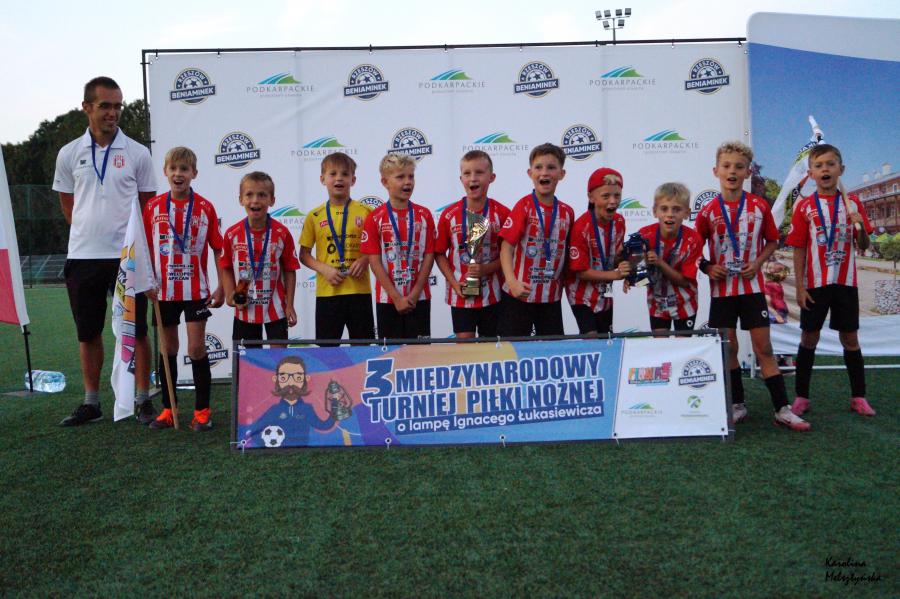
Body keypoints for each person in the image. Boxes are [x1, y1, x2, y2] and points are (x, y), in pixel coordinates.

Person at [53, 76, 157, 426]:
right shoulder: (69, 153)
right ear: (87, 107)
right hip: (83, 256)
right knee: (88, 331)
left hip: (128, 258)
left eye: (117, 106)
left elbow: (147, 206)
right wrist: (89, 232)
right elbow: (68, 204)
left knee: (137, 331)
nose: (113, 113)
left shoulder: (138, 153)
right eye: (105, 106)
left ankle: (142, 399)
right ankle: (92, 402)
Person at [696, 141, 809, 431]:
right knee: (729, 349)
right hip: (722, 293)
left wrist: (757, 263)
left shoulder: (759, 206)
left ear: (748, 172)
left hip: (752, 291)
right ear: (716, 171)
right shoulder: (708, 211)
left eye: (739, 166)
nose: (732, 171)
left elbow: (772, 241)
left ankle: (782, 409)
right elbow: (694, 250)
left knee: (764, 349)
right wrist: (708, 267)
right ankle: (737, 405)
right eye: (726, 166)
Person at [785, 144, 875, 417]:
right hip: (815, 284)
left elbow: (864, 245)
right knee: (809, 337)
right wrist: (799, 286)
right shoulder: (805, 206)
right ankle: (802, 397)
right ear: (811, 173)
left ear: (841, 170)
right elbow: (799, 247)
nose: (825, 169)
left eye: (830, 164)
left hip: (845, 283)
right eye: (819, 165)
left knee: (850, 339)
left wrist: (860, 225)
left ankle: (858, 397)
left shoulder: (853, 203)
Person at [143, 146, 225, 431]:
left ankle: (202, 412)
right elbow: (144, 248)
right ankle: (169, 409)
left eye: (184, 169)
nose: (178, 174)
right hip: (163, 291)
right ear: (165, 172)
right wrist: (145, 282)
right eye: (174, 169)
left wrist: (221, 286)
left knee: (196, 348)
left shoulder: (205, 207)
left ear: (194, 173)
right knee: (168, 349)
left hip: (195, 291)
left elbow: (218, 248)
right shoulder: (153, 207)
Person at [498, 143, 576, 336]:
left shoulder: (567, 212)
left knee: (552, 351)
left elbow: (567, 254)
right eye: (538, 167)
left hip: (550, 298)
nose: (544, 172)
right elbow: (506, 248)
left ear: (562, 174)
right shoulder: (523, 206)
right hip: (519, 295)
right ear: (530, 173)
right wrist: (512, 282)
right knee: (513, 349)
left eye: (551, 167)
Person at [299, 153, 374, 342]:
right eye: (333, 174)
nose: (339, 178)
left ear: (353, 180)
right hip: (328, 292)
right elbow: (304, 255)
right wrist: (324, 269)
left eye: (345, 174)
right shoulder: (314, 216)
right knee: (327, 351)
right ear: (322, 179)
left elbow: (377, 247)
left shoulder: (366, 212)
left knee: (364, 348)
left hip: (359, 291)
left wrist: (365, 260)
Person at [434, 150, 510, 338]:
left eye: (479, 172)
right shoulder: (449, 215)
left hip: (494, 295)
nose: (473, 178)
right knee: (465, 347)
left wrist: (487, 269)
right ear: (461, 179)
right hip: (461, 293)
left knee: (492, 347)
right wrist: (454, 284)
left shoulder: (502, 214)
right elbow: (439, 253)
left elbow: (510, 254)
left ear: (492, 177)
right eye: (467, 173)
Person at [361, 154, 435, 339]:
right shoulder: (374, 218)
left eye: (411, 176)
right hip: (388, 300)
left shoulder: (424, 215)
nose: (407, 182)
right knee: (391, 353)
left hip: (419, 298)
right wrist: (396, 297)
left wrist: (414, 294)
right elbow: (374, 262)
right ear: (385, 182)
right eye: (400, 177)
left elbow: (429, 256)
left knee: (420, 353)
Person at [221, 171, 299, 346]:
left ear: (272, 200)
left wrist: (289, 305)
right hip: (245, 308)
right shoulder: (232, 234)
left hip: (275, 307)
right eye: (249, 194)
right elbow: (226, 266)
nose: (255, 200)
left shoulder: (282, 233)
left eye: (262, 195)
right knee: (247, 358)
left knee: (278, 357)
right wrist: (230, 295)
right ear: (241, 199)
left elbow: (290, 271)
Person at [567, 167, 630, 335]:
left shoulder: (619, 221)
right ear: (591, 197)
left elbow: (613, 260)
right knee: (592, 338)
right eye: (606, 196)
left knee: (606, 339)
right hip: (581, 296)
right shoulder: (582, 227)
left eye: (617, 195)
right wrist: (615, 275)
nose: (613, 201)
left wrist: (626, 265)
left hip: (605, 294)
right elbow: (581, 272)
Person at [635, 182, 703, 332]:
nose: (670, 214)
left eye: (676, 209)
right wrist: (632, 276)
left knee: (683, 345)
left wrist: (659, 263)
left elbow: (684, 281)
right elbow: (641, 281)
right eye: (664, 208)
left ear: (687, 213)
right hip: (657, 304)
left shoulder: (693, 239)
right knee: (661, 345)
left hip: (685, 303)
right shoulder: (644, 235)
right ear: (655, 211)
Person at [239, 356, 336, 448]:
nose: (290, 383)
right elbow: (254, 432)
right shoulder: (274, 410)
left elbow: (324, 425)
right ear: (276, 379)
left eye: (298, 378)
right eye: (284, 378)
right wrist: (267, 443)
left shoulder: (307, 409)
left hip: (304, 450)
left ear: (306, 379)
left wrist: (335, 407)